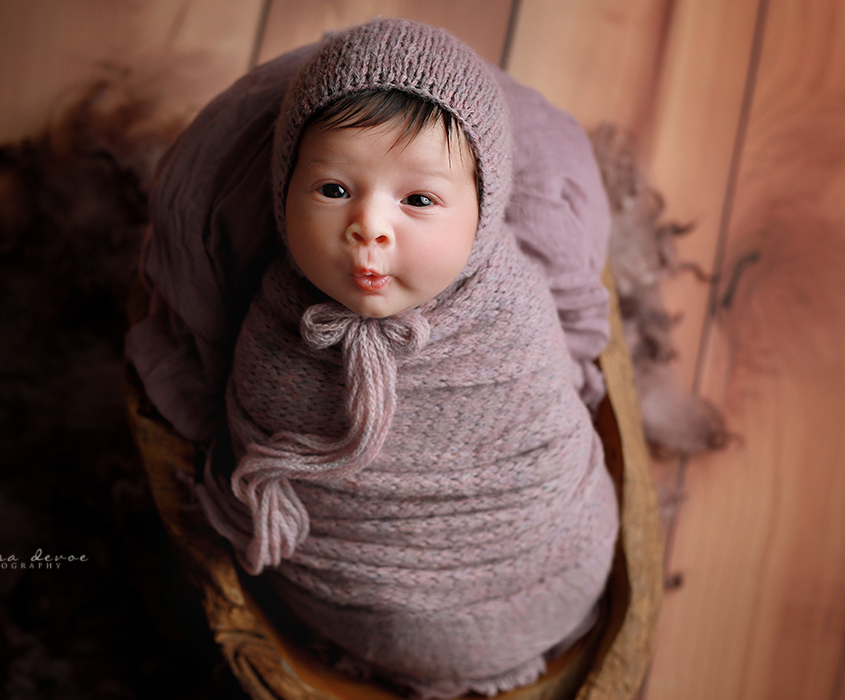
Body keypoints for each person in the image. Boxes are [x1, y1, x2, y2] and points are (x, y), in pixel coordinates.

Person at [127, 18, 619, 699]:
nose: (370, 227)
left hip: (543, 571)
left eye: (418, 200)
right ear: (282, 193)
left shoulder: (512, 309)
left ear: (482, 211)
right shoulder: (277, 323)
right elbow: (253, 436)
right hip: (351, 608)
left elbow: (550, 424)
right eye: (333, 190)